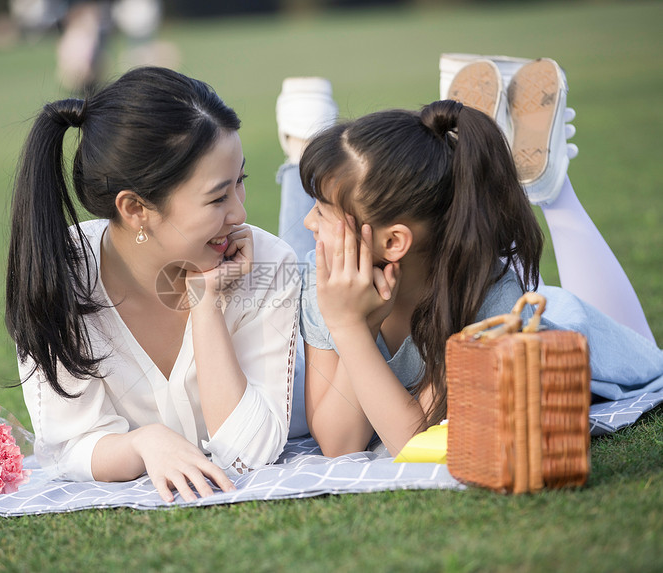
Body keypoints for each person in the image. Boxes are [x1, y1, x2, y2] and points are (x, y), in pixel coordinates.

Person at [278, 57, 663, 457]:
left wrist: (350, 329)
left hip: (565, 339)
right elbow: (339, 444)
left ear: (393, 243)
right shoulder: (326, 278)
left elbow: (411, 442)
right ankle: (486, 163)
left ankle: (553, 189)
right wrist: (350, 323)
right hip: (499, 292)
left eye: (322, 210)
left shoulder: (480, 300)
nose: (308, 221)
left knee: (645, 357)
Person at [5, 67, 300, 502]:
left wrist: (206, 305)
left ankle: (302, 156)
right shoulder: (56, 274)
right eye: (218, 197)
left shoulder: (269, 263)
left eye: (241, 182)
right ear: (135, 208)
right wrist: (146, 443)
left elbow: (250, 454)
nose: (239, 214)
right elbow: (68, 445)